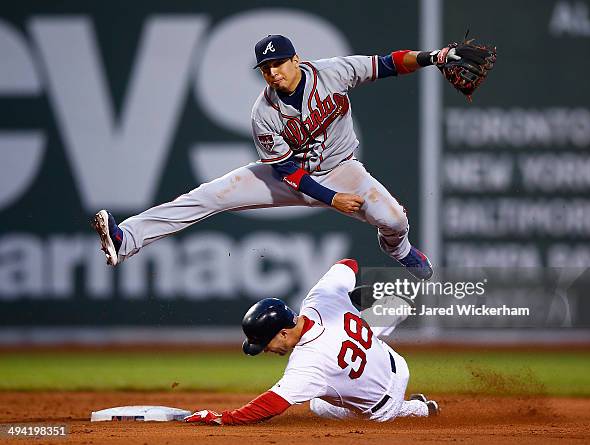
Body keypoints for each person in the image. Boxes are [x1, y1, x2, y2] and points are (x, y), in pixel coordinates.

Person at [92, 34, 462, 280]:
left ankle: (400, 250)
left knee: (395, 219)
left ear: (296, 59)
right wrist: (331, 199)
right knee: (208, 196)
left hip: (341, 169)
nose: (273, 72)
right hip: (288, 178)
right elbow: (286, 171)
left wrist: (434, 57)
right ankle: (127, 240)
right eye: (266, 68)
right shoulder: (263, 113)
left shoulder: (332, 73)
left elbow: (388, 63)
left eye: (280, 63)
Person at [184, 258, 439, 425]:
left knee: (317, 404)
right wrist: (349, 298)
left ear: (283, 333)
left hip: (383, 408)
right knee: (368, 316)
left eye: (265, 344)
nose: (265, 351)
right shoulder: (318, 299)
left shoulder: (307, 364)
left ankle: (418, 410)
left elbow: (271, 404)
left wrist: (224, 418)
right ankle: (395, 304)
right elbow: (348, 264)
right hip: (395, 362)